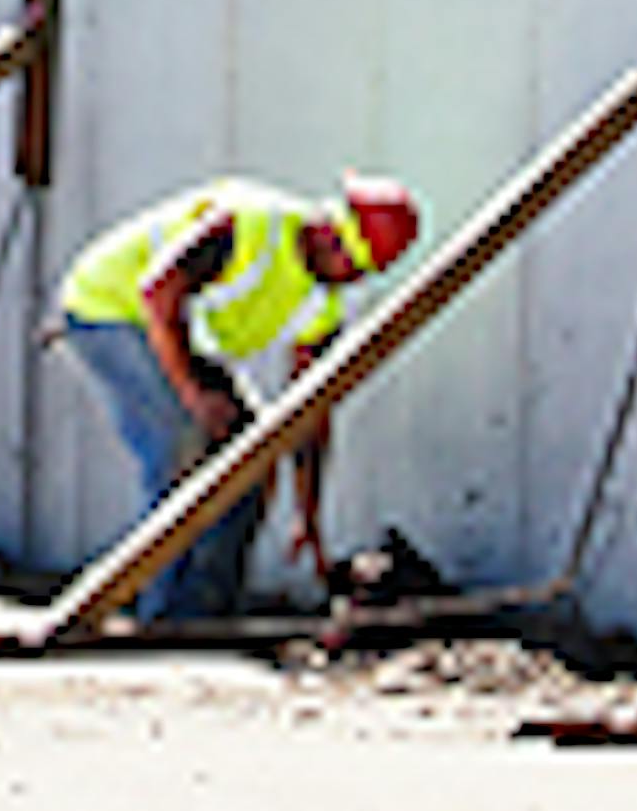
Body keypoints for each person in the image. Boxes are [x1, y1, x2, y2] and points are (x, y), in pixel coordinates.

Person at [51, 169, 421, 620]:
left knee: (249, 461)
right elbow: (158, 290)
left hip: (173, 331)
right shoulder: (248, 224)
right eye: (354, 267)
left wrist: (309, 515)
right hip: (108, 307)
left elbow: (309, 412)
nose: (352, 282)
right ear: (331, 236)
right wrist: (192, 393)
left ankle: (205, 613)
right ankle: (160, 616)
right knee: (180, 443)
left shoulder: (321, 304)